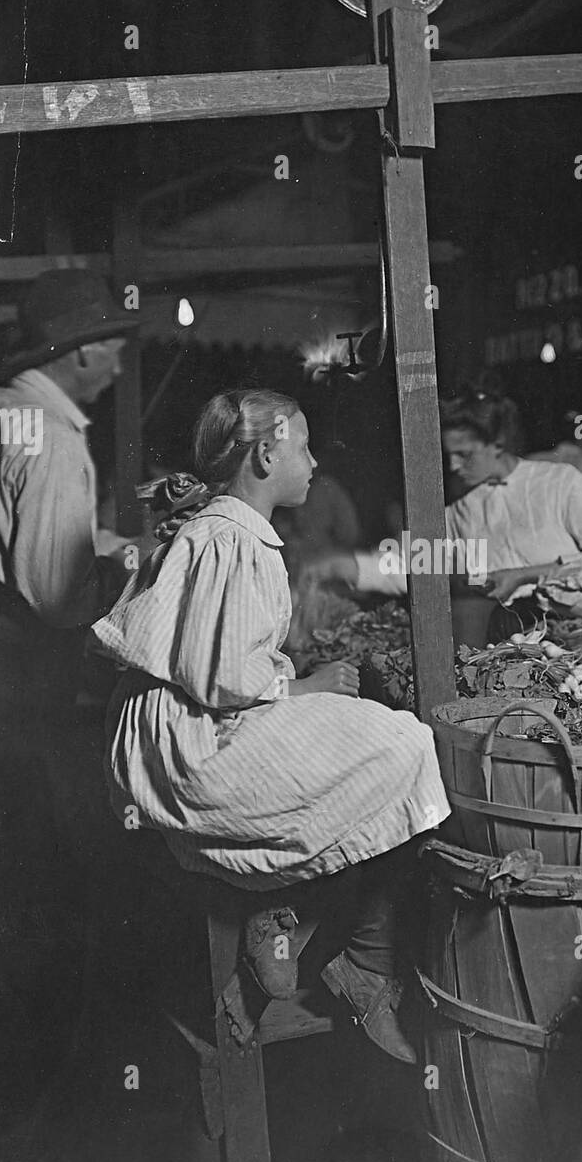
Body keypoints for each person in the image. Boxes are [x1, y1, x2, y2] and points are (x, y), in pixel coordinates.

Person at [91, 389, 450, 1062]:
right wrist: (302, 683)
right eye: (303, 448)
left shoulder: (224, 527)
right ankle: (346, 952)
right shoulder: (230, 538)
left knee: (365, 739)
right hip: (190, 747)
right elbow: (223, 676)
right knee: (405, 746)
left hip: (178, 727)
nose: (314, 463)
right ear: (263, 455)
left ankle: (288, 917)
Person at [307, 389, 582, 644]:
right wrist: (350, 566)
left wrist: (526, 575)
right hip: (519, 646)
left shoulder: (560, 484)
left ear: (498, 444)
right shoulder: (460, 512)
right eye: (449, 456)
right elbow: (415, 565)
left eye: (465, 454)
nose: (453, 467)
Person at [0, 268, 141, 759]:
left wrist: (105, 541)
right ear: (87, 352)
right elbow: (57, 598)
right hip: (20, 666)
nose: (117, 370)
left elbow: (5, 523)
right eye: (115, 354)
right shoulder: (55, 441)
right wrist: (125, 568)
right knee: (31, 806)